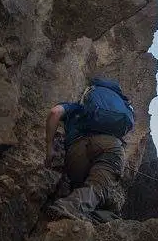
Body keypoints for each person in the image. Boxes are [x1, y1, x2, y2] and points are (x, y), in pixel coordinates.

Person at [44, 77, 134, 221]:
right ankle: (68, 207)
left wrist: (49, 147)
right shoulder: (120, 109)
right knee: (97, 188)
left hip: (76, 152)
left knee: (86, 189)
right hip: (109, 145)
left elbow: (55, 112)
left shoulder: (77, 107)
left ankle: (81, 211)